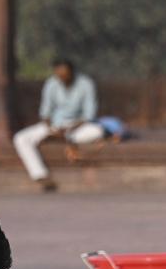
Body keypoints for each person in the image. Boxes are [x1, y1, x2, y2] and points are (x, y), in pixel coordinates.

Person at [12, 57, 104, 192]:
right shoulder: (51, 84)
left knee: (98, 131)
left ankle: (67, 139)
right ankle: (40, 175)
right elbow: (45, 113)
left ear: (72, 72)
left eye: (65, 75)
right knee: (20, 138)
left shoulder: (86, 84)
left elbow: (89, 116)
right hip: (55, 126)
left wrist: (69, 129)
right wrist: (51, 129)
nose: (62, 78)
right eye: (59, 75)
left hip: (77, 126)